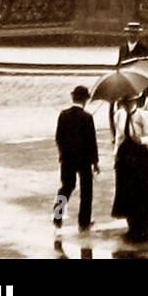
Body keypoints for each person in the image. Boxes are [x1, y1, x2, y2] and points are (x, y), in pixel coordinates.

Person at [111, 92, 148, 241]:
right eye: (124, 102)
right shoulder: (119, 116)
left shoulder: (146, 117)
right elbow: (119, 138)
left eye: (130, 102)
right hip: (125, 156)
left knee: (142, 189)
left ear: (136, 102)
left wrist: (142, 140)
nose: (127, 105)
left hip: (140, 156)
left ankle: (144, 223)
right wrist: (116, 156)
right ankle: (131, 222)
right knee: (126, 190)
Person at [54, 85, 99, 231]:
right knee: (86, 191)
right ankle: (84, 221)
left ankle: (57, 215)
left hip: (67, 158)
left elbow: (58, 137)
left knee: (66, 187)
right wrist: (95, 162)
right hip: (84, 159)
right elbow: (92, 142)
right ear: (85, 100)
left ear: (72, 97)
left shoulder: (63, 115)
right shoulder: (87, 117)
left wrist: (63, 152)